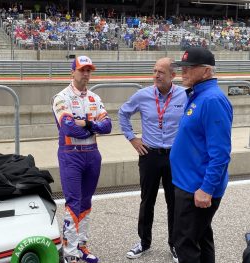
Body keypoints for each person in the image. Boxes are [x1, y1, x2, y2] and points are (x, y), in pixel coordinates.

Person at [118, 57, 187, 262]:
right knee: (147, 200)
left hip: (175, 157)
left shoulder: (185, 95)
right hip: (149, 155)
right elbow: (123, 113)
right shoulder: (143, 95)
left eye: (161, 72)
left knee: (174, 202)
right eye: (154, 71)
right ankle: (144, 242)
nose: (156, 75)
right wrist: (133, 139)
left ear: (173, 76)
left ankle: (175, 245)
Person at [170, 47, 233, 263]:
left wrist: (206, 188)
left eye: (189, 67)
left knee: (185, 243)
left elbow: (221, 153)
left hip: (196, 187)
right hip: (188, 182)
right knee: (202, 237)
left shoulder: (211, 100)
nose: (183, 72)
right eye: (182, 67)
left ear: (206, 71)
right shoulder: (198, 94)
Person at [51, 55, 112, 263]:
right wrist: (93, 125)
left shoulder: (94, 97)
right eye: (82, 70)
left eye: (89, 70)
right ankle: (70, 253)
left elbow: (108, 126)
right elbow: (68, 127)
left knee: (86, 201)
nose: (86, 74)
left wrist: (85, 124)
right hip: (71, 154)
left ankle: (82, 245)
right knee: (73, 202)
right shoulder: (61, 97)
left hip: (92, 154)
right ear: (72, 72)